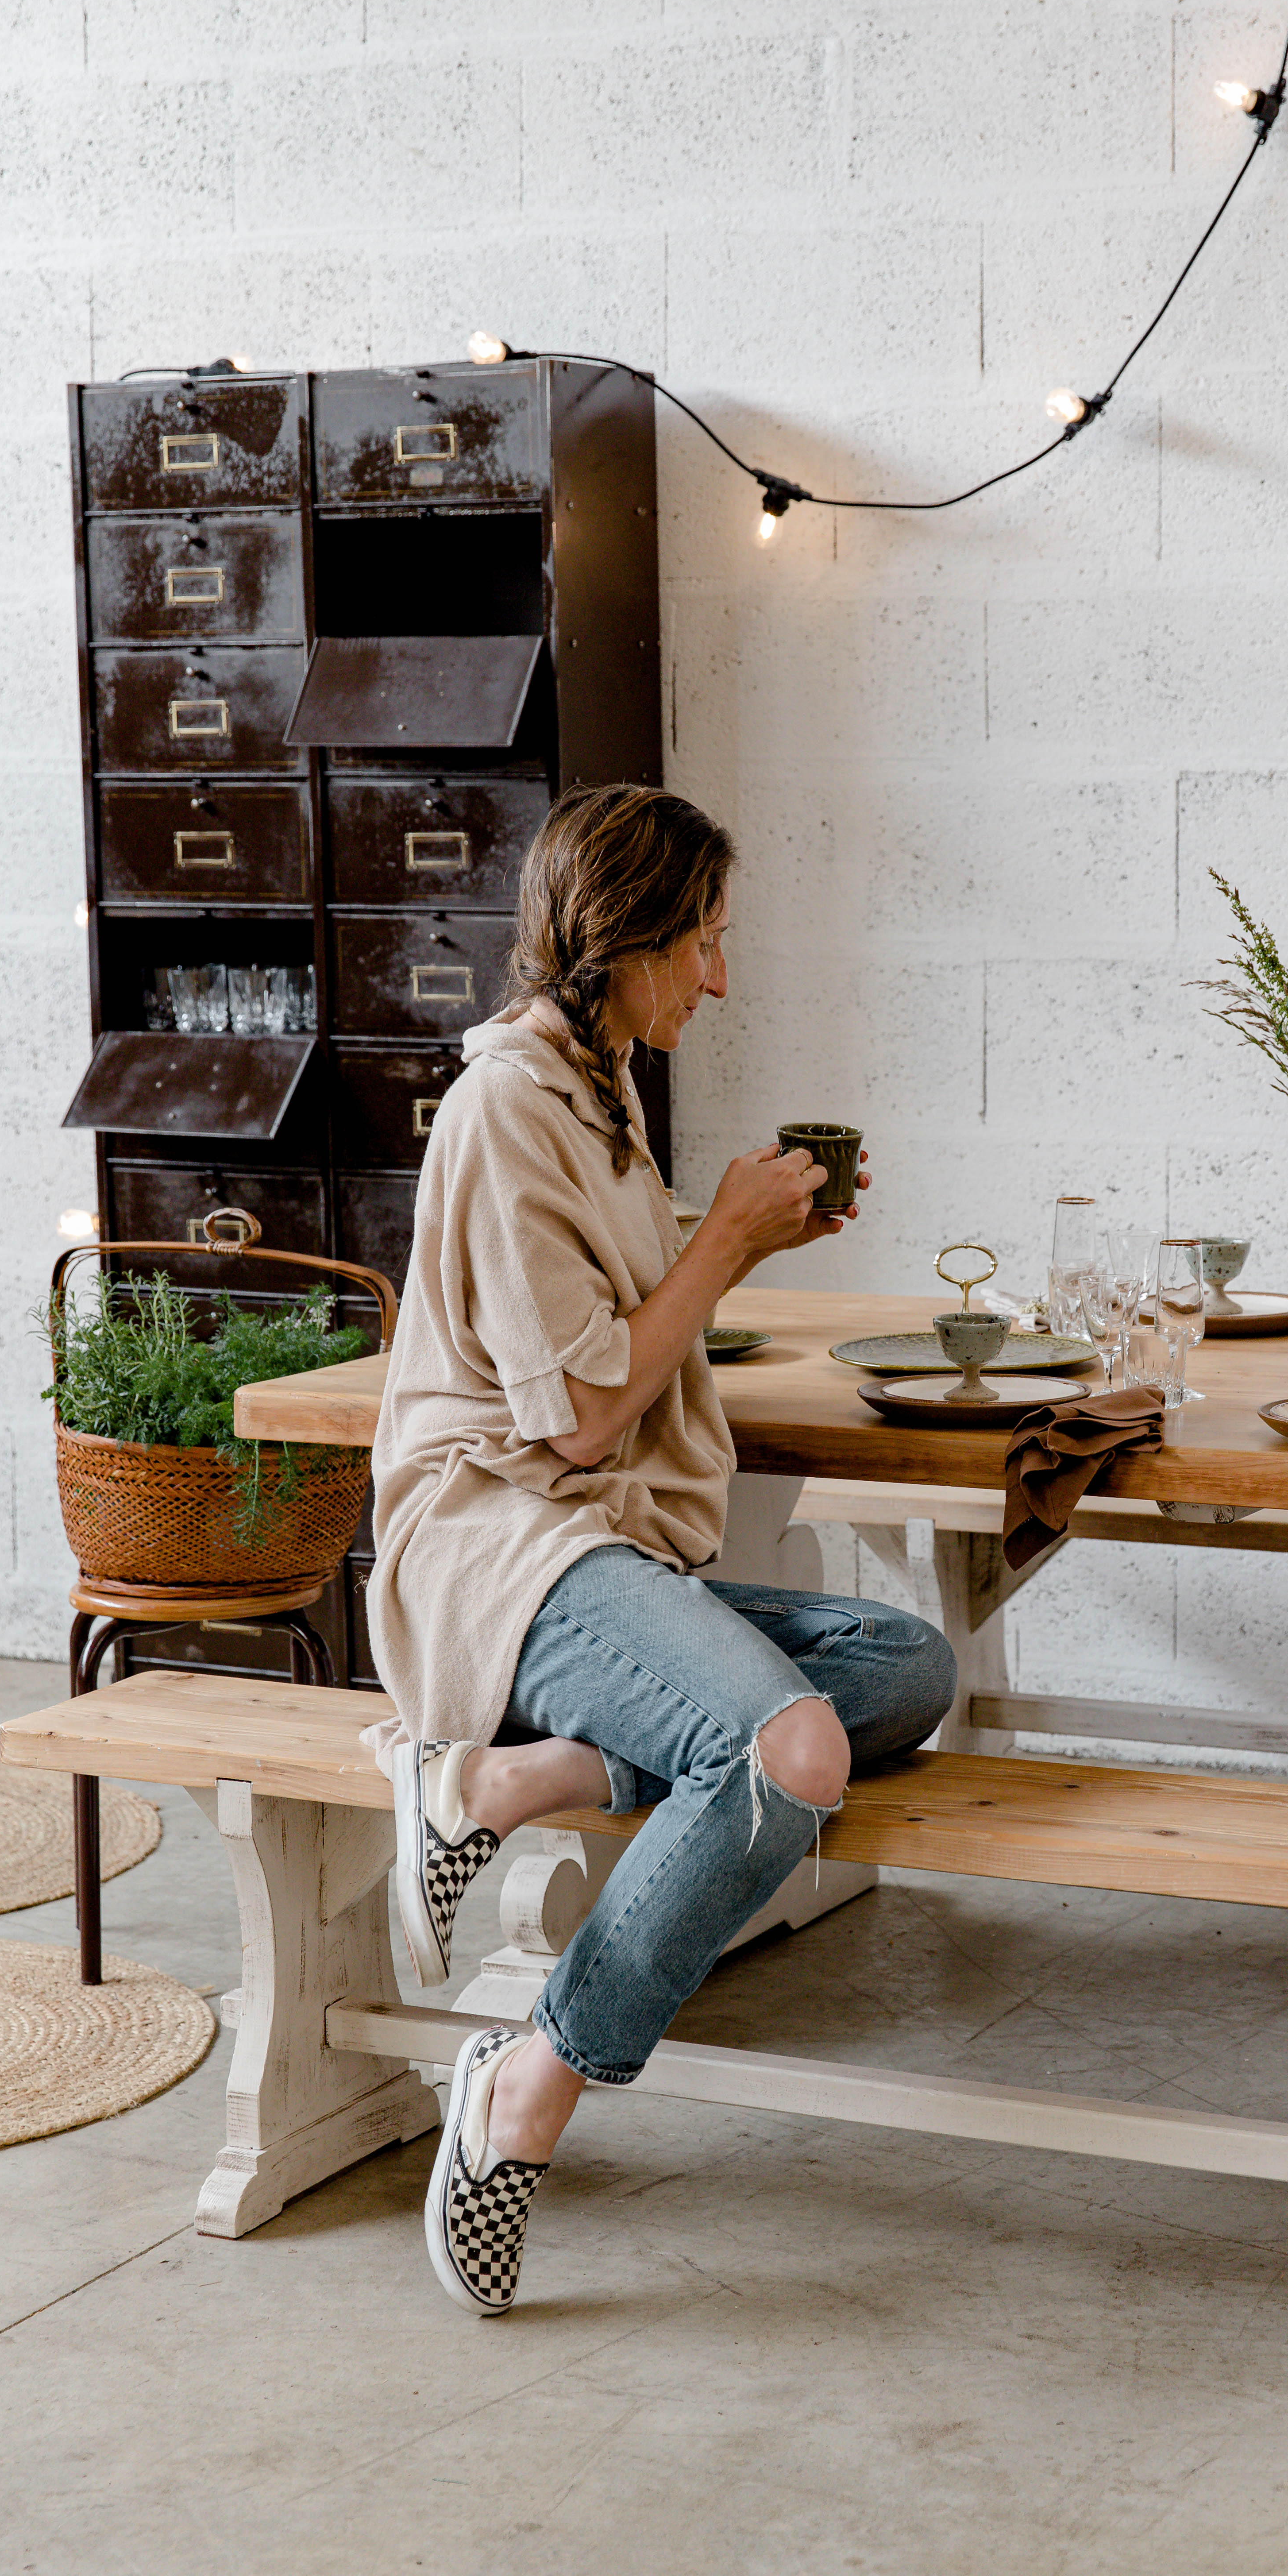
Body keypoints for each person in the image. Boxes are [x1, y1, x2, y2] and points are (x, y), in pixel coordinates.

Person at [365, 783, 956, 2314]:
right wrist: (722, 1246)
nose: (716, 973)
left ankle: (499, 1777)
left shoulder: (599, 1087)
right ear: (619, 938)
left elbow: (618, 1321)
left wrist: (752, 1239)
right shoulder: (506, 1107)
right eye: (698, 941)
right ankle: (528, 2083)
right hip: (504, 1541)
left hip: (606, 1547)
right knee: (791, 1751)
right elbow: (567, 1417)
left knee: (910, 1663)